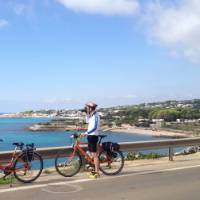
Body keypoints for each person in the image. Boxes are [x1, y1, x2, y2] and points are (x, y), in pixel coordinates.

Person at [81, 102, 100, 179]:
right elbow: (87, 121)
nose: (86, 108)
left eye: (87, 108)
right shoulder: (92, 115)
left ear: (91, 108)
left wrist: (86, 133)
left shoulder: (96, 116)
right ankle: (95, 169)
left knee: (95, 156)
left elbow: (95, 127)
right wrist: (86, 113)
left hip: (93, 136)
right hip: (90, 136)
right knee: (93, 154)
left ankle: (97, 173)